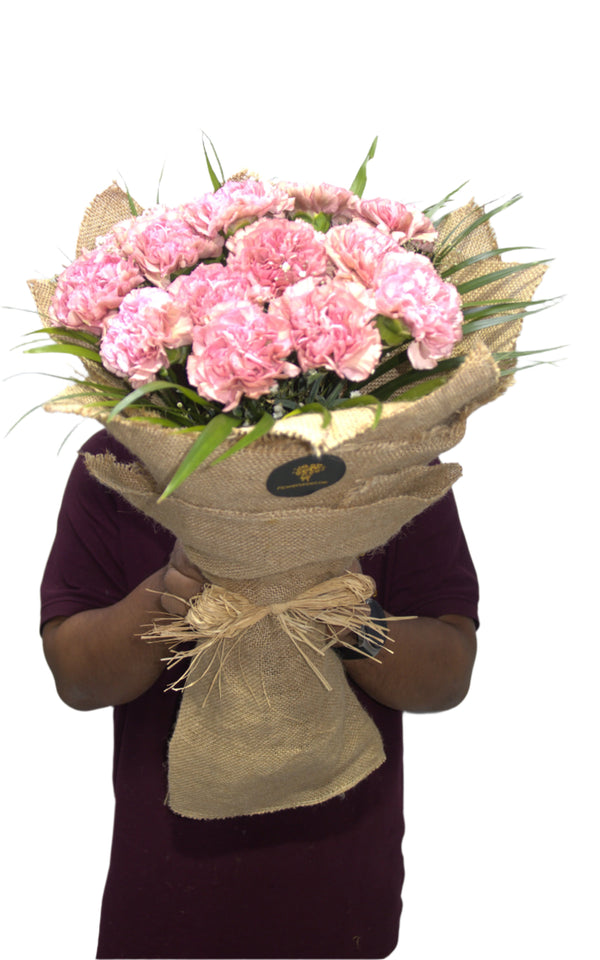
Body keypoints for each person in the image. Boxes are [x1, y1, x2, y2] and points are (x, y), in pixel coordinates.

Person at [41, 429, 479, 960]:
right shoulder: (122, 459)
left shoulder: (394, 460)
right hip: (168, 902)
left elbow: (449, 675)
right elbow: (76, 677)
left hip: (342, 904)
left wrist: (342, 611)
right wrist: (171, 594)